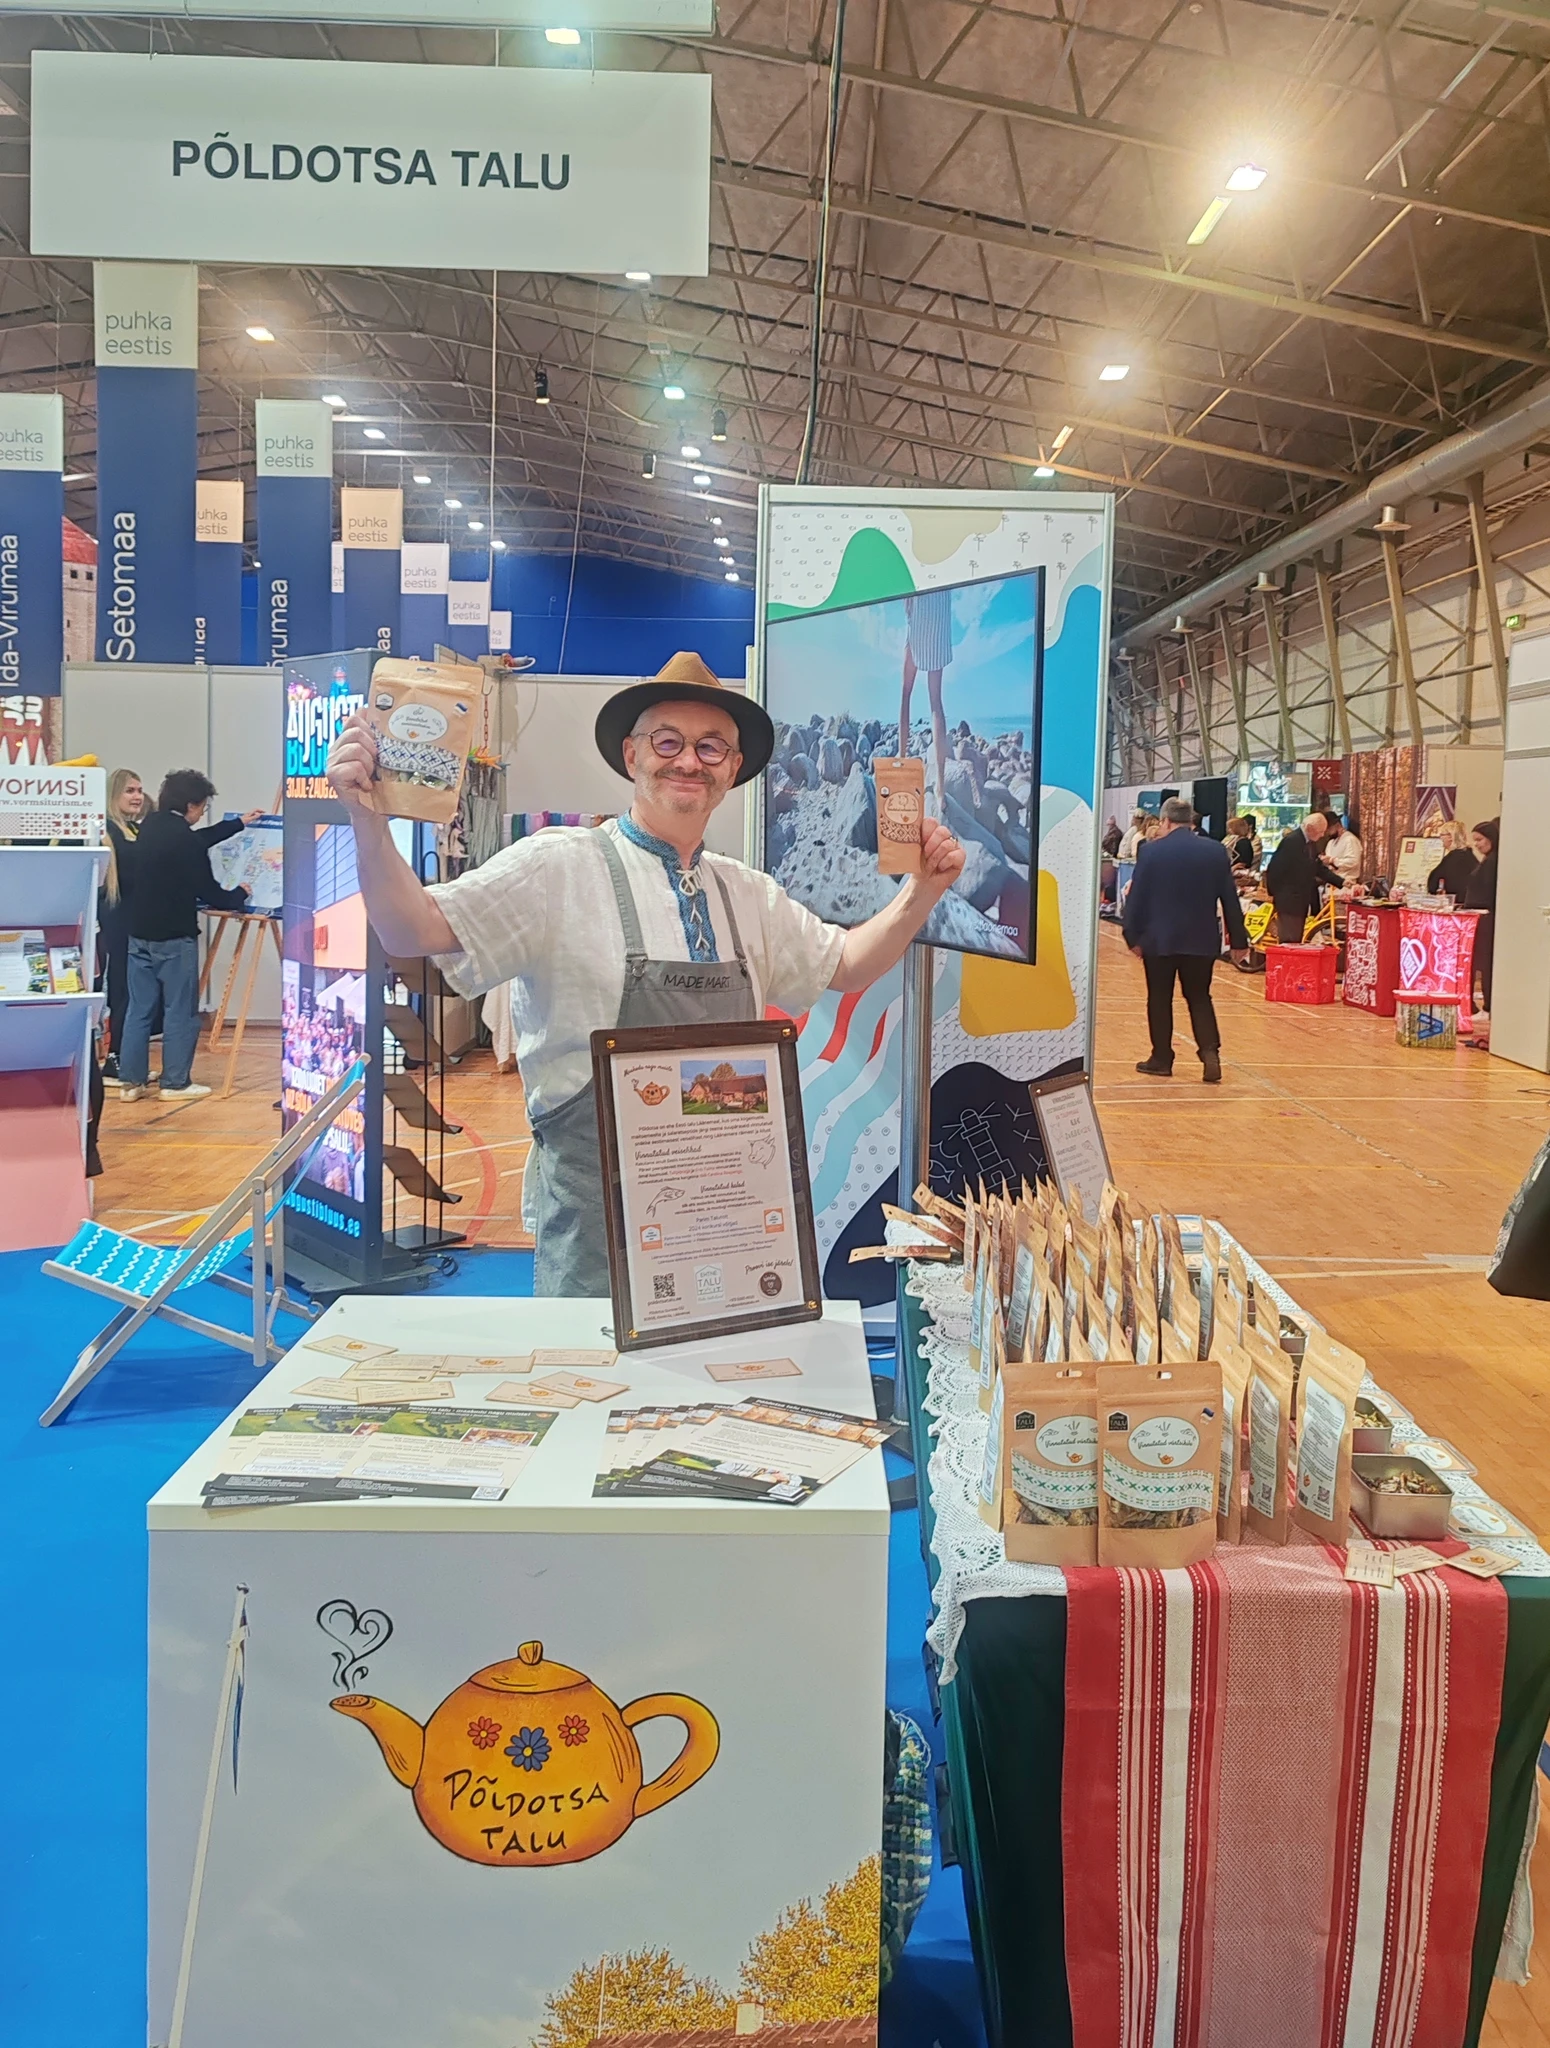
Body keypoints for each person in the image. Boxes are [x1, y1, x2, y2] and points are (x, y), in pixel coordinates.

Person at [325, 651, 968, 1295]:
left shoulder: (748, 894)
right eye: (668, 741)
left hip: (725, 1224)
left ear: (733, 769)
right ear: (631, 754)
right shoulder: (557, 867)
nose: (688, 760)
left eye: (711, 747)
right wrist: (367, 823)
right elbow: (413, 929)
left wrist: (922, 892)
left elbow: (847, 965)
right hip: (597, 1231)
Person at [118, 770, 259, 1103]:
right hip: (174, 938)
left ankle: (131, 1082)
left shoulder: (150, 825)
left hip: (138, 935)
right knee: (180, 1011)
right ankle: (175, 1083)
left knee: (139, 1010)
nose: (202, 813)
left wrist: (237, 824)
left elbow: (197, 839)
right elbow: (213, 893)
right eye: (203, 807)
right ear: (192, 805)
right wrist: (240, 893)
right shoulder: (185, 842)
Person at [1122, 798, 1249, 1083]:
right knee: (1199, 996)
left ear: (1165, 821)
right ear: (1191, 822)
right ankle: (1210, 1053)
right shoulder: (1215, 851)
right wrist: (1239, 941)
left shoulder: (1150, 851)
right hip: (1201, 940)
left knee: (1159, 998)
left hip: (1158, 940)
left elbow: (1137, 898)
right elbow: (1230, 899)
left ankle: (1161, 1058)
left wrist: (1132, 935)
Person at [99, 767, 147, 1084]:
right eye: (130, 790)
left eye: (139, 790)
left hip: (134, 921)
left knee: (132, 991)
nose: (137, 796)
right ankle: (114, 1056)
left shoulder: (133, 830)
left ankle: (125, 1056)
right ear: (114, 794)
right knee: (119, 989)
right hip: (115, 922)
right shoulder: (108, 832)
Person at [898, 587, 954, 816]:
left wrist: (908, 604)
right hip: (939, 610)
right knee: (936, 703)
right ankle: (940, 786)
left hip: (921, 607)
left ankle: (902, 760)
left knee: (906, 693)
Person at [1263, 811, 1345, 942]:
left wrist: (1342, 882)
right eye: (1320, 832)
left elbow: (1317, 867)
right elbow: (1275, 868)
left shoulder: (1310, 842)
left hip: (1300, 899)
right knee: (1289, 940)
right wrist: (1275, 893)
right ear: (1309, 828)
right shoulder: (1292, 841)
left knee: (1296, 938)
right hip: (1289, 900)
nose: (1322, 835)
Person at [1463, 817, 1499, 1015]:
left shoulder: (1493, 862)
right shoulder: (1487, 860)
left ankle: (1488, 1005)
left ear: (1491, 838)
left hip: (1486, 917)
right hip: (1480, 915)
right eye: (1474, 840)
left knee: (1485, 963)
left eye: (1480, 840)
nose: (1476, 844)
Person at [1427, 818, 1478, 901]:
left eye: (1442, 835)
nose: (1440, 838)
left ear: (1450, 837)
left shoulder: (1454, 859)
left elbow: (1435, 882)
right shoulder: (1468, 856)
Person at [1321, 812, 1364, 889]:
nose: (1327, 833)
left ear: (1337, 825)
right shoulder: (1330, 843)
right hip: (1332, 884)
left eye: (1328, 829)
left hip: (1346, 883)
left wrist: (1332, 860)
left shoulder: (1350, 840)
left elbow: (1353, 861)